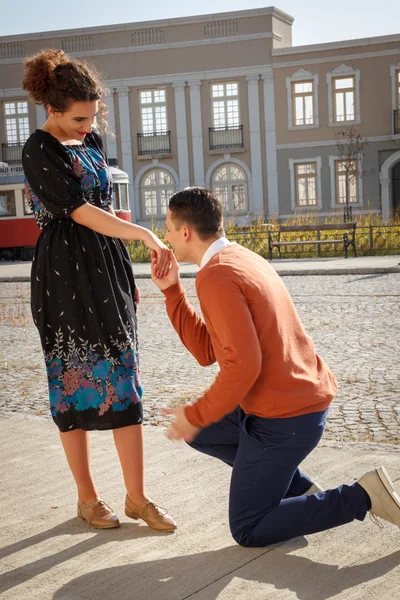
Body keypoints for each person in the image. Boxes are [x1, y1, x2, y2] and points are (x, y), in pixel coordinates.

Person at [150, 186, 400, 547]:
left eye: (169, 229)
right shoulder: (238, 258)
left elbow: (243, 367)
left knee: (248, 528)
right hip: (295, 400)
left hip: (285, 417)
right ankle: (298, 492)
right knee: (203, 430)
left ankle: (362, 496)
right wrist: (172, 291)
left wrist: (196, 411)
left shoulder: (216, 276)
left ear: (186, 232)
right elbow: (208, 351)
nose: (167, 237)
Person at [21, 49, 176, 532]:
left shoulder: (88, 144)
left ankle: (138, 498)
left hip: (106, 269)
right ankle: (87, 499)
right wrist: (146, 235)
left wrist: (126, 276)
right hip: (64, 275)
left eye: (92, 117)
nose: (87, 126)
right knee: (72, 386)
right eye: (78, 118)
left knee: (125, 380)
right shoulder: (38, 149)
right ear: (52, 109)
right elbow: (82, 211)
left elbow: (102, 209)